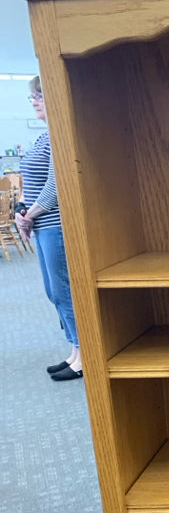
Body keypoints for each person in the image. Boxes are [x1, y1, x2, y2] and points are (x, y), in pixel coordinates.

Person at [16, 77, 82, 381]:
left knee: (64, 290)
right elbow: (30, 181)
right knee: (52, 292)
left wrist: (31, 214)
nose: (35, 102)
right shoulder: (43, 137)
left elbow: (56, 185)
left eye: (40, 96)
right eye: (33, 97)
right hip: (41, 225)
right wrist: (22, 212)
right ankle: (73, 350)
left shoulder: (60, 135)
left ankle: (83, 354)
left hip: (55, 225)